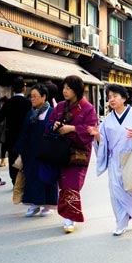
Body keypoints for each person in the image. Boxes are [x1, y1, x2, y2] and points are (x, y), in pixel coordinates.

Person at [90, 84, 132, 236]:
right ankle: (121, 223)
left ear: (124, 98)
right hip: (114, 161)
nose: (111, 99)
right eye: (109, 97)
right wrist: (97, 136)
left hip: (131, 159)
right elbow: (103, 142)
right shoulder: (107, 121)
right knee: (116, 192)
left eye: (115, 96)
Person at [48, 75, 97, 233]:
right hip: (61, 150)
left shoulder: (88, 108)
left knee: (72, 183)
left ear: (77, 90)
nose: (65, 91)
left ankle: (70, 217)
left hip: (79, 151)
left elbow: (92, 130)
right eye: (64, 88)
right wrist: (54, 125)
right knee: (63, 182)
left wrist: (73, 128)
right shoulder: (60, 106)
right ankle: (67, 214)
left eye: (68, 88)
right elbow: (49, 124)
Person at [13, 83, 57, 218]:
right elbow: (24, 133)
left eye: (35, 96)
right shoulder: (31, 113)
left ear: (44, 97)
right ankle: (35, 203)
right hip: (31, 152)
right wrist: (20, 150)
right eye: (31, 96)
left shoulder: (52, 112)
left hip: (47, 152)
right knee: (32, 177)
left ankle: (47, 205)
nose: (32, 99)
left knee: (46, 177)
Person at [0, 77, 31, 184]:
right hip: (25, 136)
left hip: (11, 135)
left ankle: (14, 181)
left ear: (13, 89)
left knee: (12, 159)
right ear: (24, 89)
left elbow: (0, 117)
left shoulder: (8, 103)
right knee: (25, 158)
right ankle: (24, 181)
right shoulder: (28, 103)